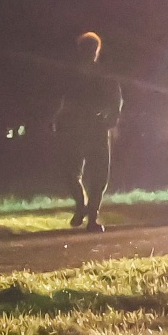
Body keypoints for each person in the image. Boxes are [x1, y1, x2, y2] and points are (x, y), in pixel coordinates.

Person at [53, 32, 122, 231]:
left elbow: (61, 100)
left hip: (76, 126)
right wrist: (113, 117)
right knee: (98, 174)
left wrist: (56, 119)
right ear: (96, 50)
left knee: (73, 171)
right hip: (93, 126)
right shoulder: (102, 73)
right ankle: (90, 215)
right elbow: (116, 98)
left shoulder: (71, 73)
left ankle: (84, 208)